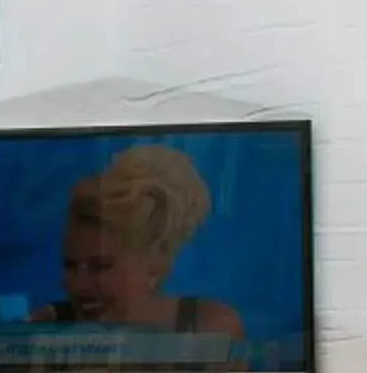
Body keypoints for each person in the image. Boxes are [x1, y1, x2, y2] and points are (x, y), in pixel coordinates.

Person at [31, 143, 246, 343]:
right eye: (70, 265)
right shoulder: (45, 329)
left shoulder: (211, 329)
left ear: (155, 263)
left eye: (101, 266)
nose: (78, 284)